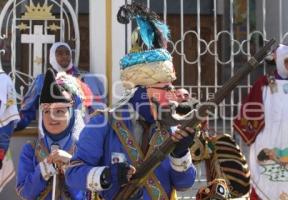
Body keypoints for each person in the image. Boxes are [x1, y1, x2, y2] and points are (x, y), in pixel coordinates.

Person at [65, 3, 196, 200]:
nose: (171, 95)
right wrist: (107, 175)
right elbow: (73, 175)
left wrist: (181, 153)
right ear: (141, 91)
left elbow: (184, 184)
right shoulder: (104, 123)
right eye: (165, 89)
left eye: (172, 88)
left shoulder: (170, 129)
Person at [233, 44, 288, 199]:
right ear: (279, 62)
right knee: (267, 176)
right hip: (268, 138)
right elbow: (250, 110)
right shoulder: (263, 84)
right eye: (287, 61)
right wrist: (252, 131)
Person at [16, 68, 87, 199]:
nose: (51, 118)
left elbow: (87, 194)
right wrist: (45, 168)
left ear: (71, 114)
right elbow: (24, 192)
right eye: (47, 111)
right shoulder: (31, 150)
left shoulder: (84, 151)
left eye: (59, 111)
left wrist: (69, 164)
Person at [16, 42, 105, 130]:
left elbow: (97, 109)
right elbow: (28, 109)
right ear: (52, 57)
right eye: (60, 54)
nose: (65, 56)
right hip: (51, 134)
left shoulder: (85, 78)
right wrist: (14, 124)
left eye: (67, 53)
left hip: (81, 134)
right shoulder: (43, 80)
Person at [0, 69, 20, 169]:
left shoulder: (2, 78)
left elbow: (2, 101)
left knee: (2, 143)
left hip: (5, 120)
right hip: (6, 119)